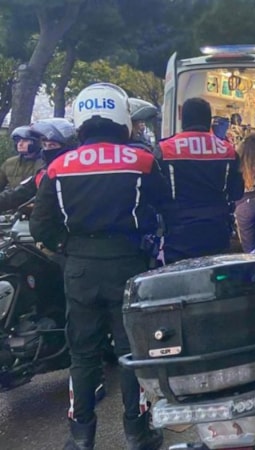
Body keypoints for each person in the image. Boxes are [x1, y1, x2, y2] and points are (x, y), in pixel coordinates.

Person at [30, 82, 168, 450]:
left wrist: (68, 249)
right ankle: (137, 432)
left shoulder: (58, 167)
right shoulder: (142, 161)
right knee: (131, 352)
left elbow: (40, 226)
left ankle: (81, 436)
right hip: (127, 265)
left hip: (79, 269)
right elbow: (162, 206)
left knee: (83, 354)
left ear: (81, 121)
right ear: (122, 119)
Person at [157, 97, 244, 263]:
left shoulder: (165, 149)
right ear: (208, 121)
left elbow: (156, 192)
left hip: (179, 235)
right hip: (216, 232)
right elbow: (236, 192)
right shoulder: (227, 150)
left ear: (183, 118)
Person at [0, 119, 78, 212]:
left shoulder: (77, 172)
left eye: (52, 145)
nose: (47, 150)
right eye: (45, 145)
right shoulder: (45, 173)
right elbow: (21, 192)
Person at [1, 126, 45, 191]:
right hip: (13, 199)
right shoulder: (9, 163)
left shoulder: (45, 163)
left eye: (25, 141)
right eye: (18, 141)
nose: (20, 144)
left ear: (35, 142)